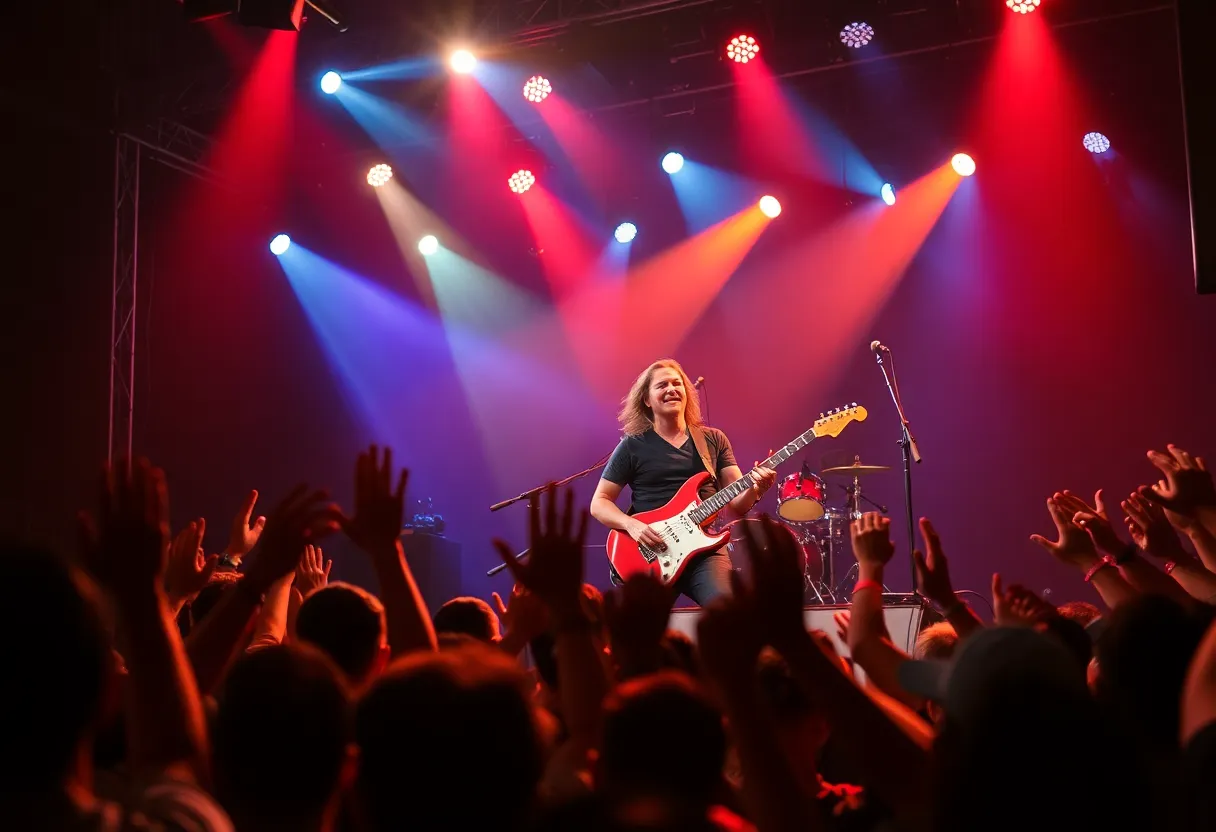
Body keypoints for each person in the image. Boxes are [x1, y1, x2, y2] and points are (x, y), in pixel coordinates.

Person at [590, 359, 776, 606]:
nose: (671, 389)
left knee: (729, 614)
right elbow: (599, 503)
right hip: (652, 552)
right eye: (662, 385)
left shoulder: (713, 440)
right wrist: (632, 525)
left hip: (704, 553)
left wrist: (756, 489)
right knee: (640, 635)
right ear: (647, 399)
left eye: (677, 384)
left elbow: (737, 504)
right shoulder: (632, 445)